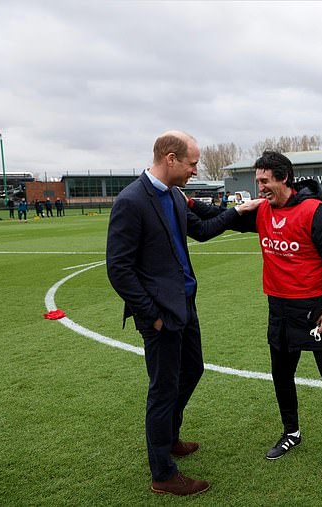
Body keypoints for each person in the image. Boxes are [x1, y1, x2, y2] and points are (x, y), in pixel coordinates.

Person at [193, 151, 322, 481]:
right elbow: (218, 216)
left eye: (264, 181)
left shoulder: (316, 213)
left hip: (315, 312)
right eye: (257, 181)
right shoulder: (262, 210)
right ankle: (292, 431)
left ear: (283, 178)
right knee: (281, 376)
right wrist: (184, 202)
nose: (259, 188)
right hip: (279, 310)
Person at [106, 130, 262, 496]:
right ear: (171, 158)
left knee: (193, 370)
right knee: (163, 389)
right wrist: (151, 316)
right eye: (192, 163)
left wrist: (237, 212)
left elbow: (203, 231)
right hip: (160, 314)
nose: (195, 170)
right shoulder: (131, 201)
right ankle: (163, 474)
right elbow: (119, 269)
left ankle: (170, 436)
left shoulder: (175, 196)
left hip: (185, 304)